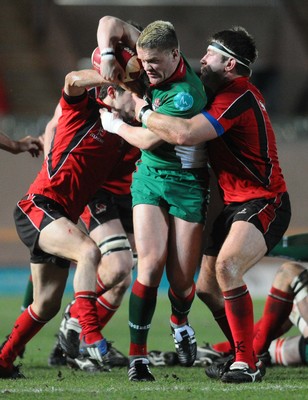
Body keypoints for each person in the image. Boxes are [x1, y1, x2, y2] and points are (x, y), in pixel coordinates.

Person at [102, 26, 291, 383]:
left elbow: (184, 134)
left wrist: (137, 111)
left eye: (210, 55)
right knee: (204, 286)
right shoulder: (216, 90)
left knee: (228, 267)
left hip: (263, 201)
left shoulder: (236, 95)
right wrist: (109, 58)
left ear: (230, 64)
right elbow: (113, 24)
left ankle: (246, 362)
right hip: (230, 202)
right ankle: (248, 353)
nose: (201, 59)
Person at [0, 68, 137, 379]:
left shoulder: (124, 136)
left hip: (60, 218)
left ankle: (4, 360)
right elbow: (72, 80)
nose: (140, 99)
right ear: (114, 92)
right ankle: (90, 335)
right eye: (134, 92)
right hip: (38, 207)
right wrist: (111, 78)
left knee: (46, 304)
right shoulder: (86, 110)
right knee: (89, 252)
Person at [98, 16, 209, 381]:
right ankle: (138, 358)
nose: (148, 70)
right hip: (149, 178)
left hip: (187, 184)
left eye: (155, 63)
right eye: (144, 63)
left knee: (180, 283)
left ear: (176, 55)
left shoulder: (186, 94)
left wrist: (117, 124)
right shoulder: (150, 55)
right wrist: (112, 59)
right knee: (149, 263)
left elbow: (148, 139)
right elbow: (109, 22)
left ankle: (179, 320)